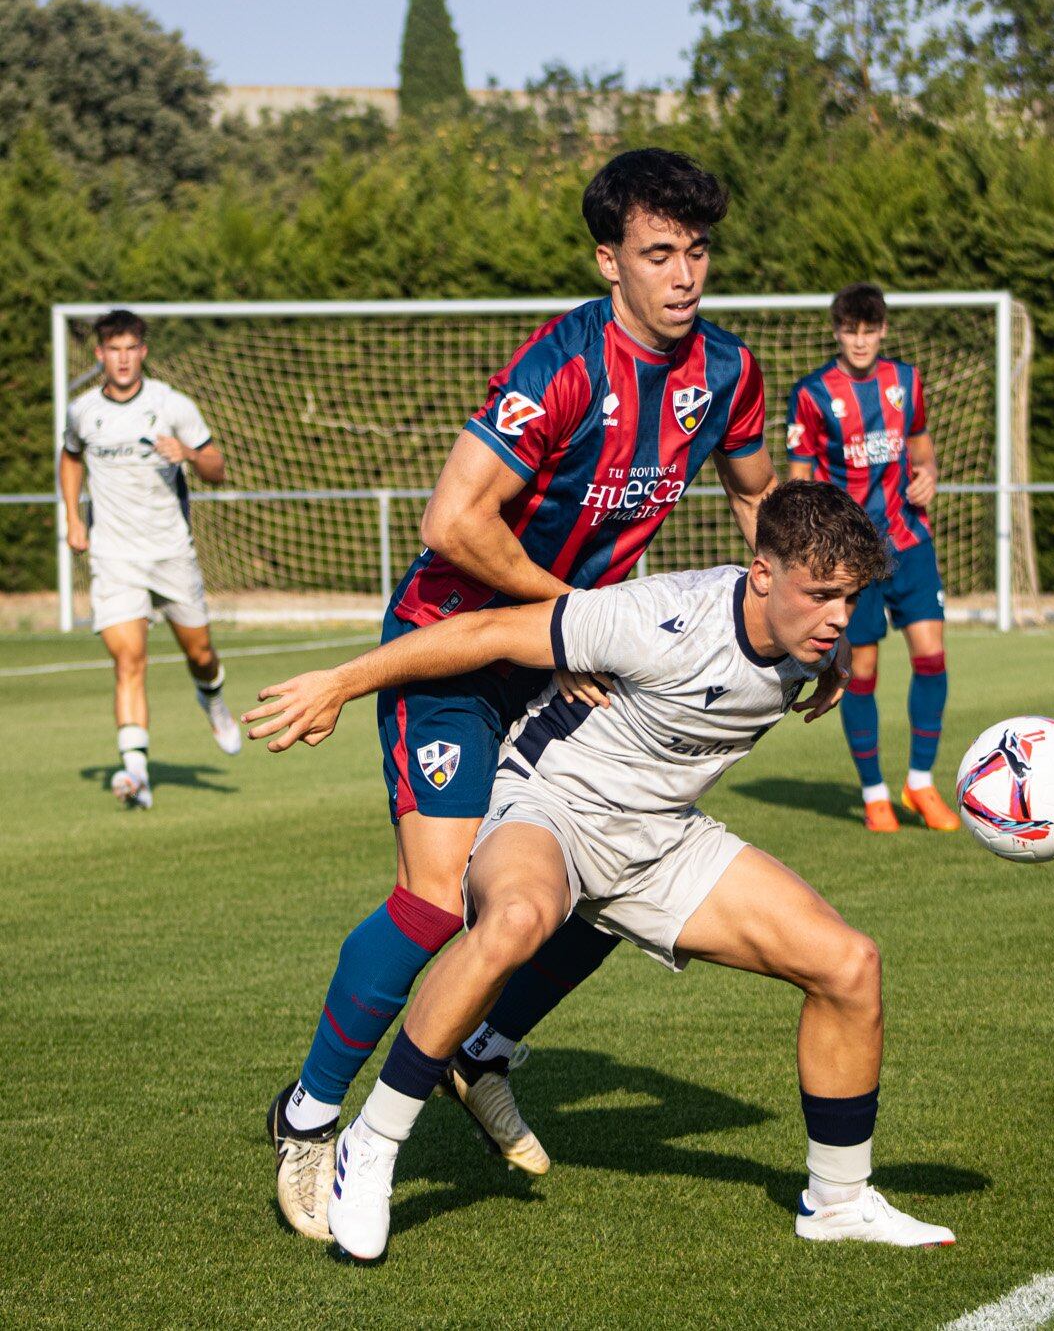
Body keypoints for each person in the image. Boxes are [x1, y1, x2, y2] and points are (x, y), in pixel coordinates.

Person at [265, 149, 848, 1240]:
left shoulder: (726, 371)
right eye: (658, 252)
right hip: (457, 642)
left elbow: (762, 501)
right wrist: (568, 611)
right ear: (609, 260)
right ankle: (307, 1123)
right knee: (440, 897)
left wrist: (805, 630)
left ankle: (480, 1049)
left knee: (616, 844)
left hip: (570, 640)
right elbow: (453, 525)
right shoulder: (564, 364)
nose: (684, 275)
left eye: (698, 251)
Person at [246, 482, 956, 1261]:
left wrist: (833, 655)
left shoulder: (818, 635)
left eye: (849, 599)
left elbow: (840, 627)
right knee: (516, 918)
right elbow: (484, 632)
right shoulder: (657, 618)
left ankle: (838, 1200)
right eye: (820, 596)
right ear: (760, 574)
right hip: (549, 809)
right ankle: (371, 1145)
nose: (838, 616)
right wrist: (339, 683)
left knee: (848, 964)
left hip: (660, 839)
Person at [787, 283, 960, 835]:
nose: (859, 340)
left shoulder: (905, 382)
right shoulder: (813, 394)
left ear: (882, 330)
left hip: (910, 542)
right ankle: (875, 794)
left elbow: (921, 444)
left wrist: (928, 474)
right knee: (861, 671)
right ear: (837, 331)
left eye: (869, 330)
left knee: (931, 657)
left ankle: (920, 783)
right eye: (849, 330)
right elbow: (800, 477)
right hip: (853, 561)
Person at [60, 309, 240, 811]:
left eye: (130, 348)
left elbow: (217, 469)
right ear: (99, 354)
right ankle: (135, 773)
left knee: (200, 655)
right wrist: (73, 518)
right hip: (114, 557)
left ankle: (214, 701)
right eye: (112, 349)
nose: (121, 358)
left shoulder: (171, 405)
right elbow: (71, 456)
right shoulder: (82, 411)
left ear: (143, 351)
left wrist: (186, 452)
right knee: (128, 659)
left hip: (169, 552)